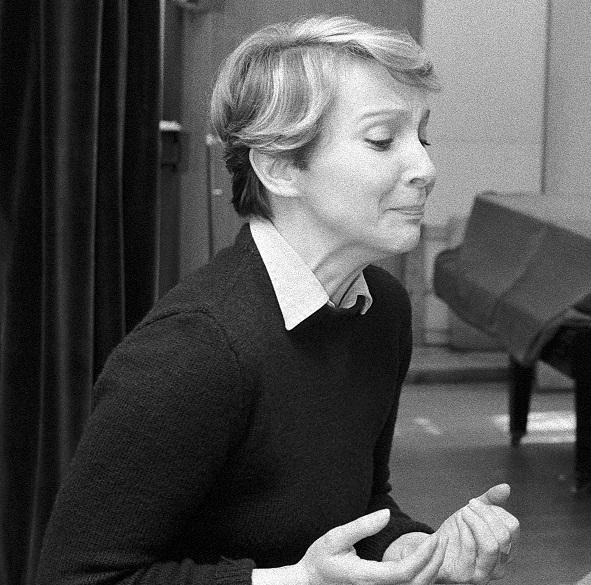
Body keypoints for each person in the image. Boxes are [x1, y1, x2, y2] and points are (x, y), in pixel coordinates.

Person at [37, 14, 518, 585]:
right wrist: (297, 580)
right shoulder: (193, 350)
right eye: (382, 140)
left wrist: (414, 548)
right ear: (280, 167)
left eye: (423, 137)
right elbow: (75, 577)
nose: (425, 168)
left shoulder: (382, 310)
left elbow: (359, 505)